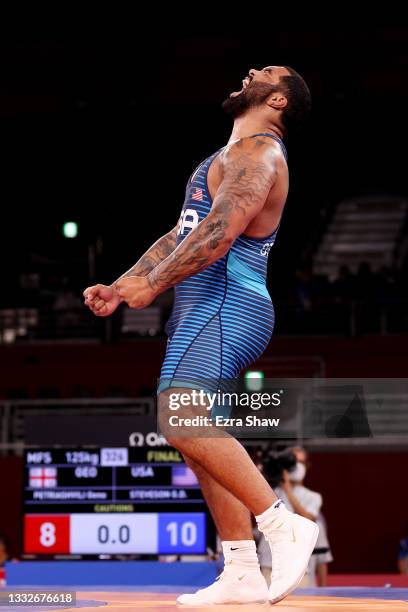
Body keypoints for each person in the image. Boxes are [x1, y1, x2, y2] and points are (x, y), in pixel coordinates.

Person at [84, 65, 317, 606]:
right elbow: (183, 233)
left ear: (278, 101)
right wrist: (124, 286)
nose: (251, 71)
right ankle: (240, 566)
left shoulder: (260, 155)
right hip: (205, 304)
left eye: (266, 73)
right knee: (195, 435)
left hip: (228, 301)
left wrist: (155, 285)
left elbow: (219, 233)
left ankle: (281, 524)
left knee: (179, 414)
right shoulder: (224, 158)